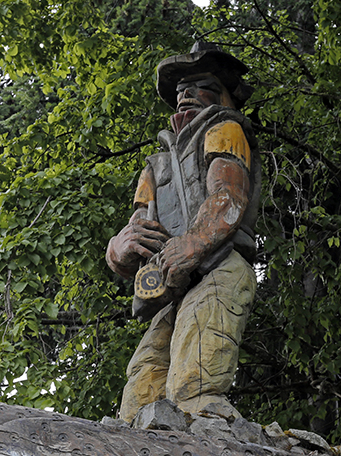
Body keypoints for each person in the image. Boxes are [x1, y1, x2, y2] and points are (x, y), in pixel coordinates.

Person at [106, 42, 261, 422]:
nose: (185, 95)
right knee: (143, 380)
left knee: (195, 379)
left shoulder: (224, 128)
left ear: (225, 95)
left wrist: (192, 244)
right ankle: (130, 442)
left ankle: (203, 431)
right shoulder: (156, 165)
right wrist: (119, 249)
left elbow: (228, 197)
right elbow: (137, 227)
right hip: (172, 287)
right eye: (179, 91)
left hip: (219, 267)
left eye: (201, 85)